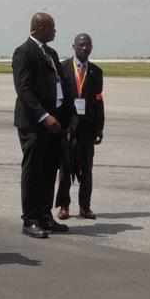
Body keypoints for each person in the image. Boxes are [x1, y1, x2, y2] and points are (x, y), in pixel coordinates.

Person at [12, 12, 72, 239]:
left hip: (55, 123)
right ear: (39, 28)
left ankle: (45, 215)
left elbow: (62, 85)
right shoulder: (24, 52)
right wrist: (44, 116)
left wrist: (69, 115)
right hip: (34, 124)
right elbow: (24, 89)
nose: (55, 31)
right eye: (52, 27)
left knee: (49, 170)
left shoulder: (51, 53)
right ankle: (30, 219)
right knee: (33, 171)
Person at [56, 32, 105, 221]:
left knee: (87, 169)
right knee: (65, 169)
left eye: (88, 45)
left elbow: (99, 100)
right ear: (74, 46)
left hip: (87, 128)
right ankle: (64, 206)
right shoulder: (62, 68)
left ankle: (85, 206)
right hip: (68, 126)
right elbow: (58, 98)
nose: (85, 48)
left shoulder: (96, 72)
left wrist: (99, 126)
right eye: (81, 44)